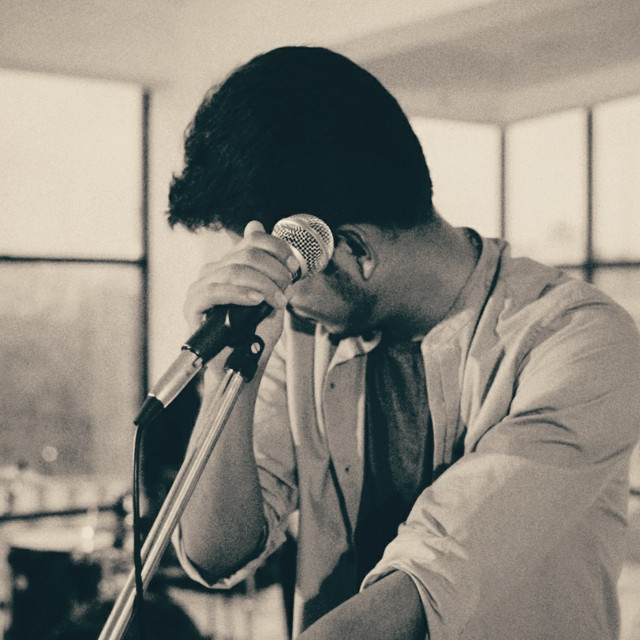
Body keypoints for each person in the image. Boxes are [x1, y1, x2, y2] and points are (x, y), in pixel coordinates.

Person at [167, 46, 640, 639]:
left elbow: (432, 577)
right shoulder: (302, 332)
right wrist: (229, 373)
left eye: (281, 270)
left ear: (351, 251)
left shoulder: (578, 339)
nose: (277, 296)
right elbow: (214, 553)